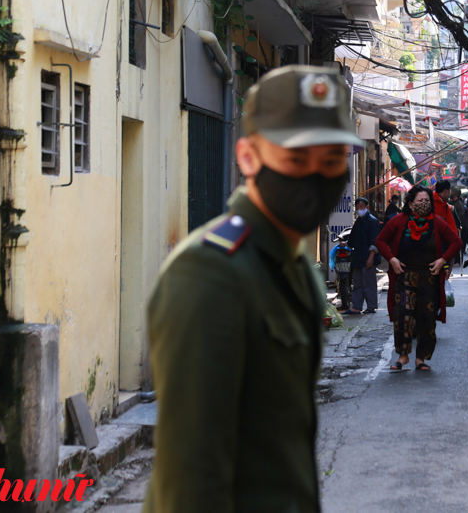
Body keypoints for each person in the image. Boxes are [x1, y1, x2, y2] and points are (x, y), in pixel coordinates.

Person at [144, 66, 363, 513]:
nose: (316, 176)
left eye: (332, 161)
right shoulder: (210, 273)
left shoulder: (295, 268)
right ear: (248, 158)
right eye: (296, 161)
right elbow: (191, 478)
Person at [375, 185, 462, 371]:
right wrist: (392, 259)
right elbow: (380, 241)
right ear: (410, 203)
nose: (424, 204)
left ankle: (421, 358)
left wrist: (443, 261)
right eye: (420, 201)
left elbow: (456, 241)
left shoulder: (437, 222)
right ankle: (403, 356)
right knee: (403, 317)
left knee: (427, 318)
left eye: (427, 201)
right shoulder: (399, 221)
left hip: (429, 278)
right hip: (404, 277)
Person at [347, 196, 381, 315]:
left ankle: (371, 306)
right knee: (357, 284)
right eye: (357, 207)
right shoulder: (358, 222)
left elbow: (375, 241)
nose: (359, 209)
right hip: (358, 257)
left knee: (369, 283)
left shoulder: (372, 221)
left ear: (367, 207)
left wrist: (371, 257)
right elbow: (352, 239)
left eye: (361, 207)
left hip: (368, 257)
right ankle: (356, 306)